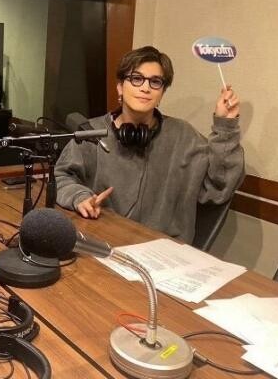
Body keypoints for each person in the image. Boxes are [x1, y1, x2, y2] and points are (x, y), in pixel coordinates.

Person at [55, 46, 244, 243]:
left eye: (155, 82)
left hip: (163, 248)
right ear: (120, 87)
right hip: (103, 240)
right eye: (136, 79)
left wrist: (226, 126)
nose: (145, 88)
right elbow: (61, 176)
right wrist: (79, 197)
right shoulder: (91, 133)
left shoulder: (184, 136)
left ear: (162, 92)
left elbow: (219, 187)